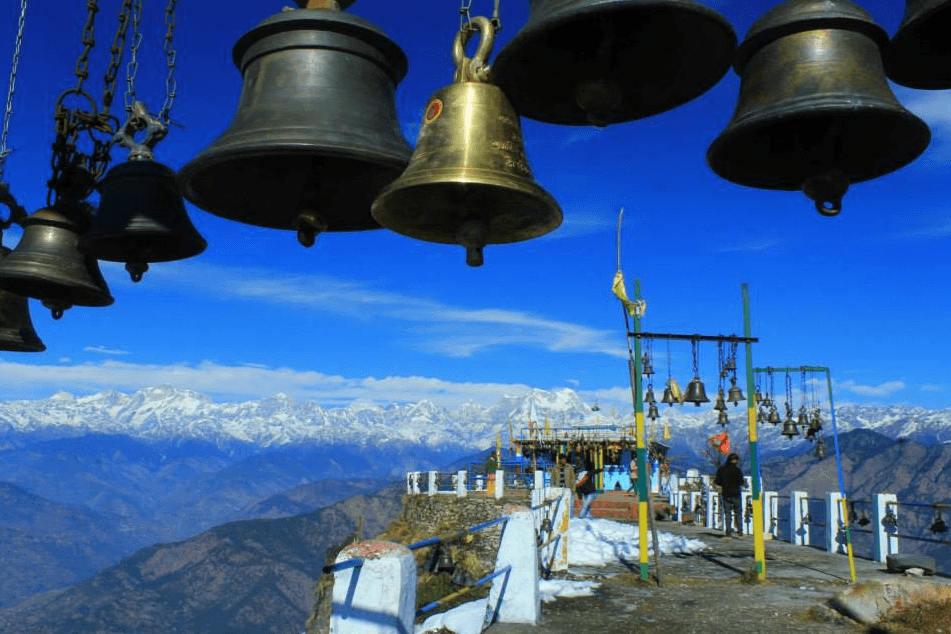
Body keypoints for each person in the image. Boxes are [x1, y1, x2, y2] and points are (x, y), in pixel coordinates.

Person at [714, 453, 744, 537]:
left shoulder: (722, 469)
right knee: (738, 513)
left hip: (726, 494)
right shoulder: (738, 470)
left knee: (727, 513)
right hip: (736, 494)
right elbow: (741, 482)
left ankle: (728, 532)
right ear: (736, 461)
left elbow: (717, 482)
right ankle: (740, 532)